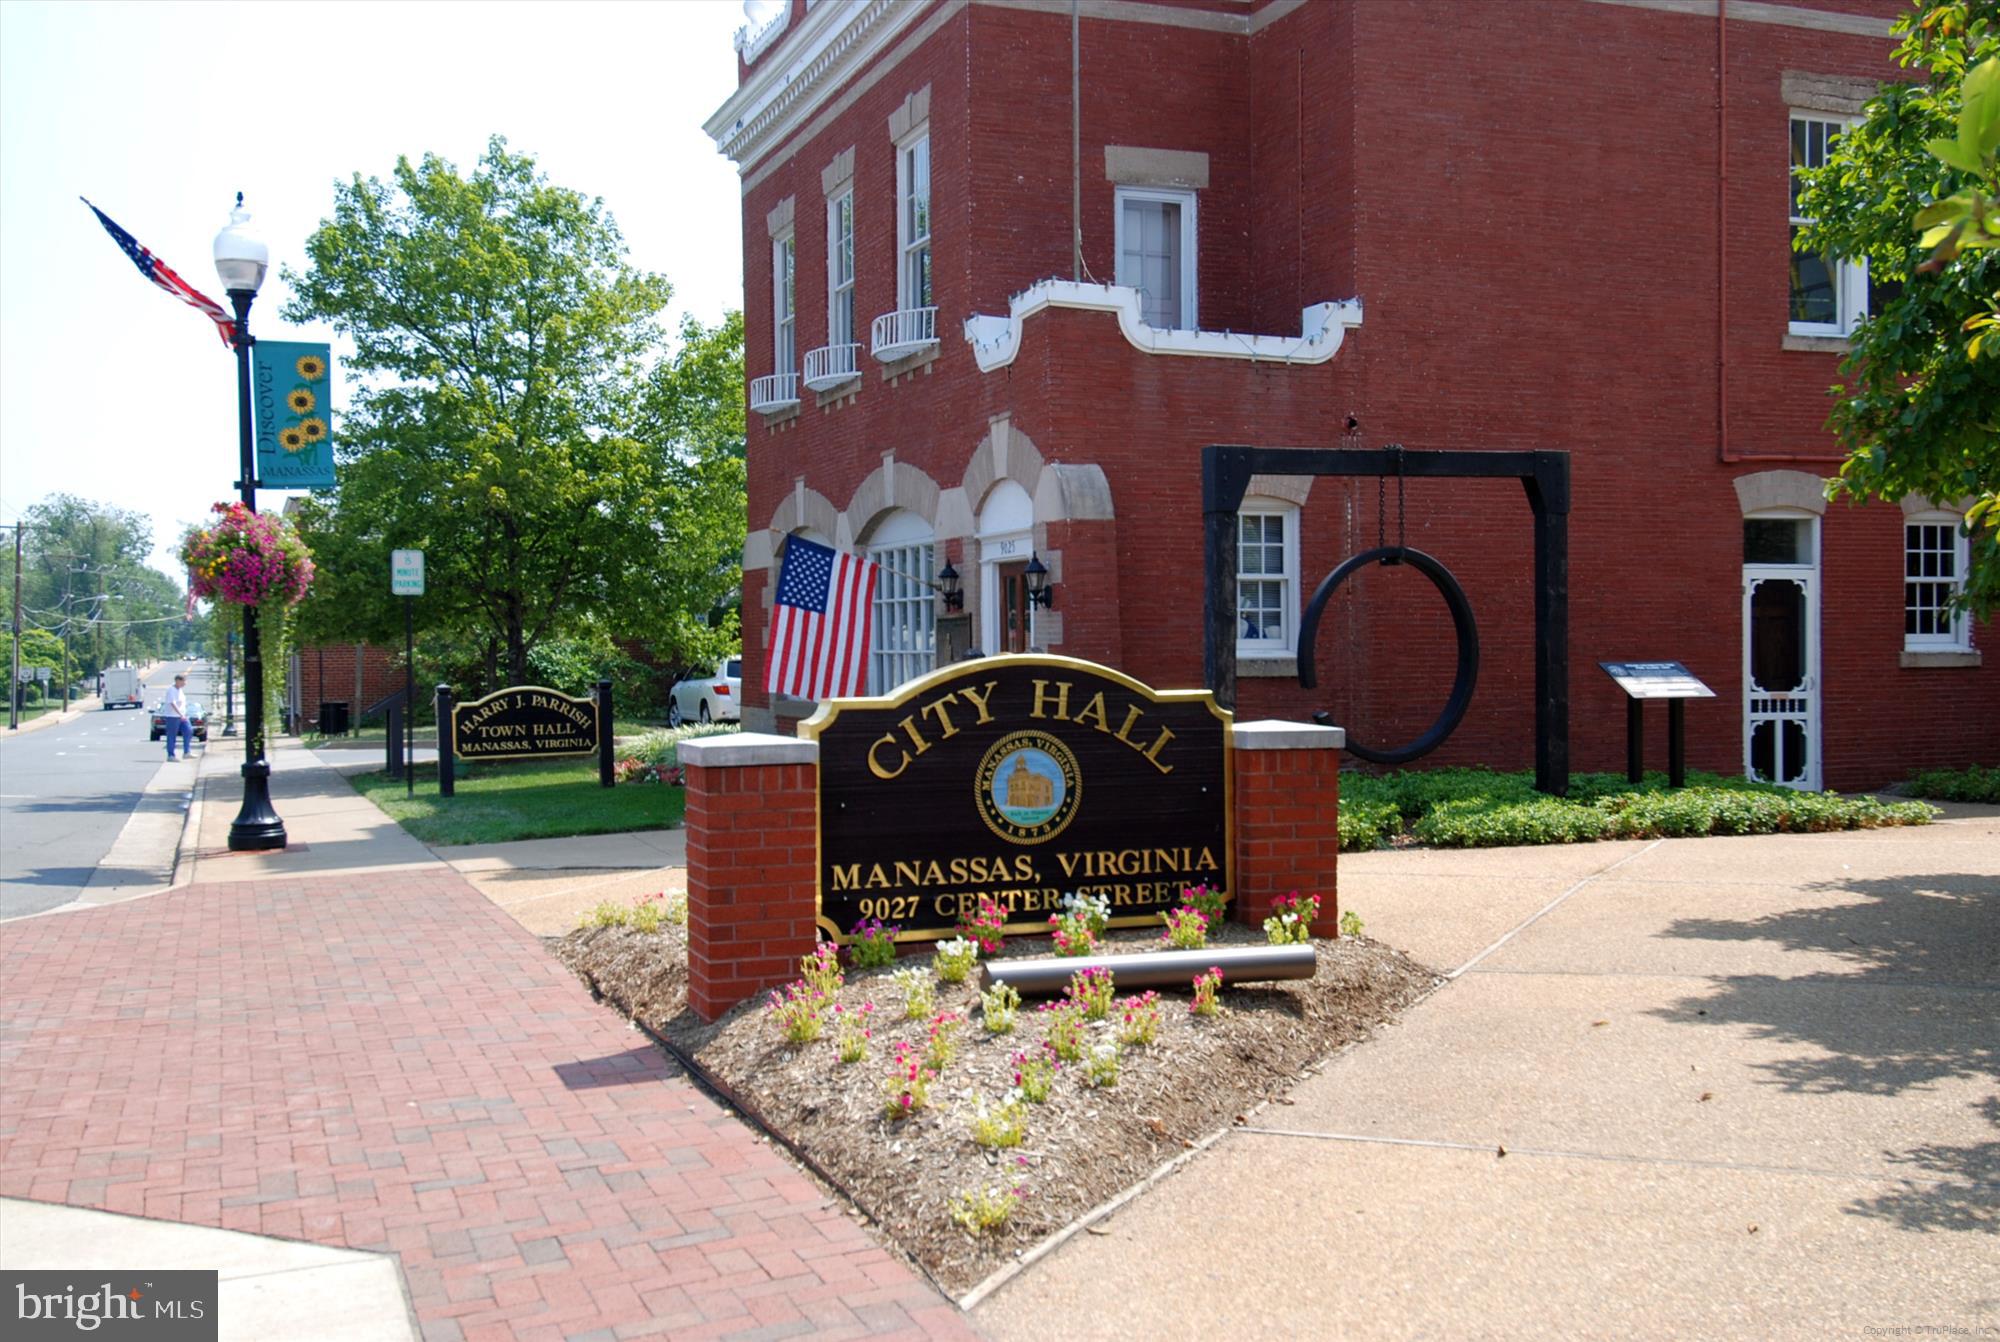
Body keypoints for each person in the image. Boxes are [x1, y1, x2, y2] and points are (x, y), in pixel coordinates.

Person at [159, 674, 194, 760]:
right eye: (183, 681)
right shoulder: (171, 690)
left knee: (188, 731)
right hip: (172, 716)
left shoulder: (180, 690)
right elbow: (172, 703)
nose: (185, 683)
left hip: (182, 716)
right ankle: (171, 755)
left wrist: (183, 714)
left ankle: (187, 752)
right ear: (178, 681)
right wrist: (180, 714)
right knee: (172, 735)